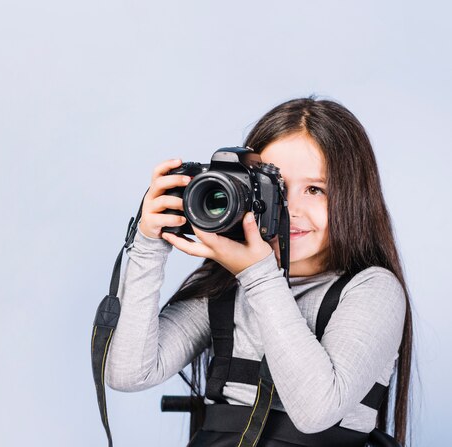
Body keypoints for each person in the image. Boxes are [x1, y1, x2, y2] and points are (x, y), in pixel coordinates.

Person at [105, 97, 412, 447]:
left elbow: (316, 411)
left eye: (315, 189)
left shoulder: (372, 289)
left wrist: (258, 274)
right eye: (276, 187)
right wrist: (148, 245)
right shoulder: (226, 283)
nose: (290, 209)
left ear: (353, 197)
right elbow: (128, 372)